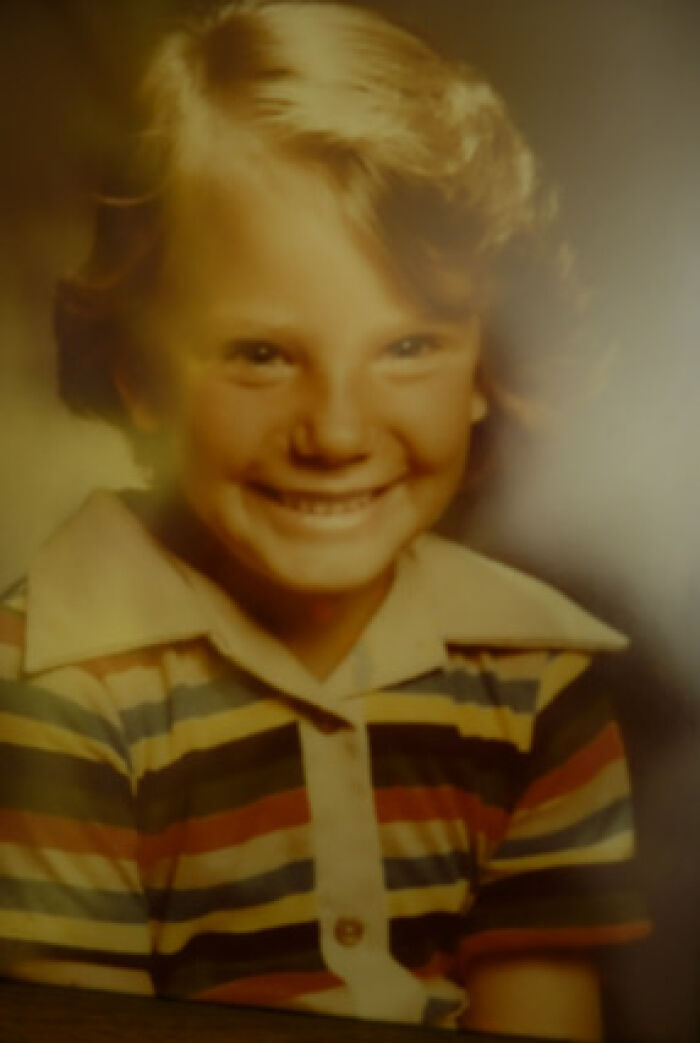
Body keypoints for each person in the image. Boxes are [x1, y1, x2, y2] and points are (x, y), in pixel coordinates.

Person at [0, 2, 648, 1038]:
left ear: (489, 368)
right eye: (261, 352)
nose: (337, 430)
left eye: (408, 347)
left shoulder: (535, 677)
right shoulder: (53, 681)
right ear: (137, 373)